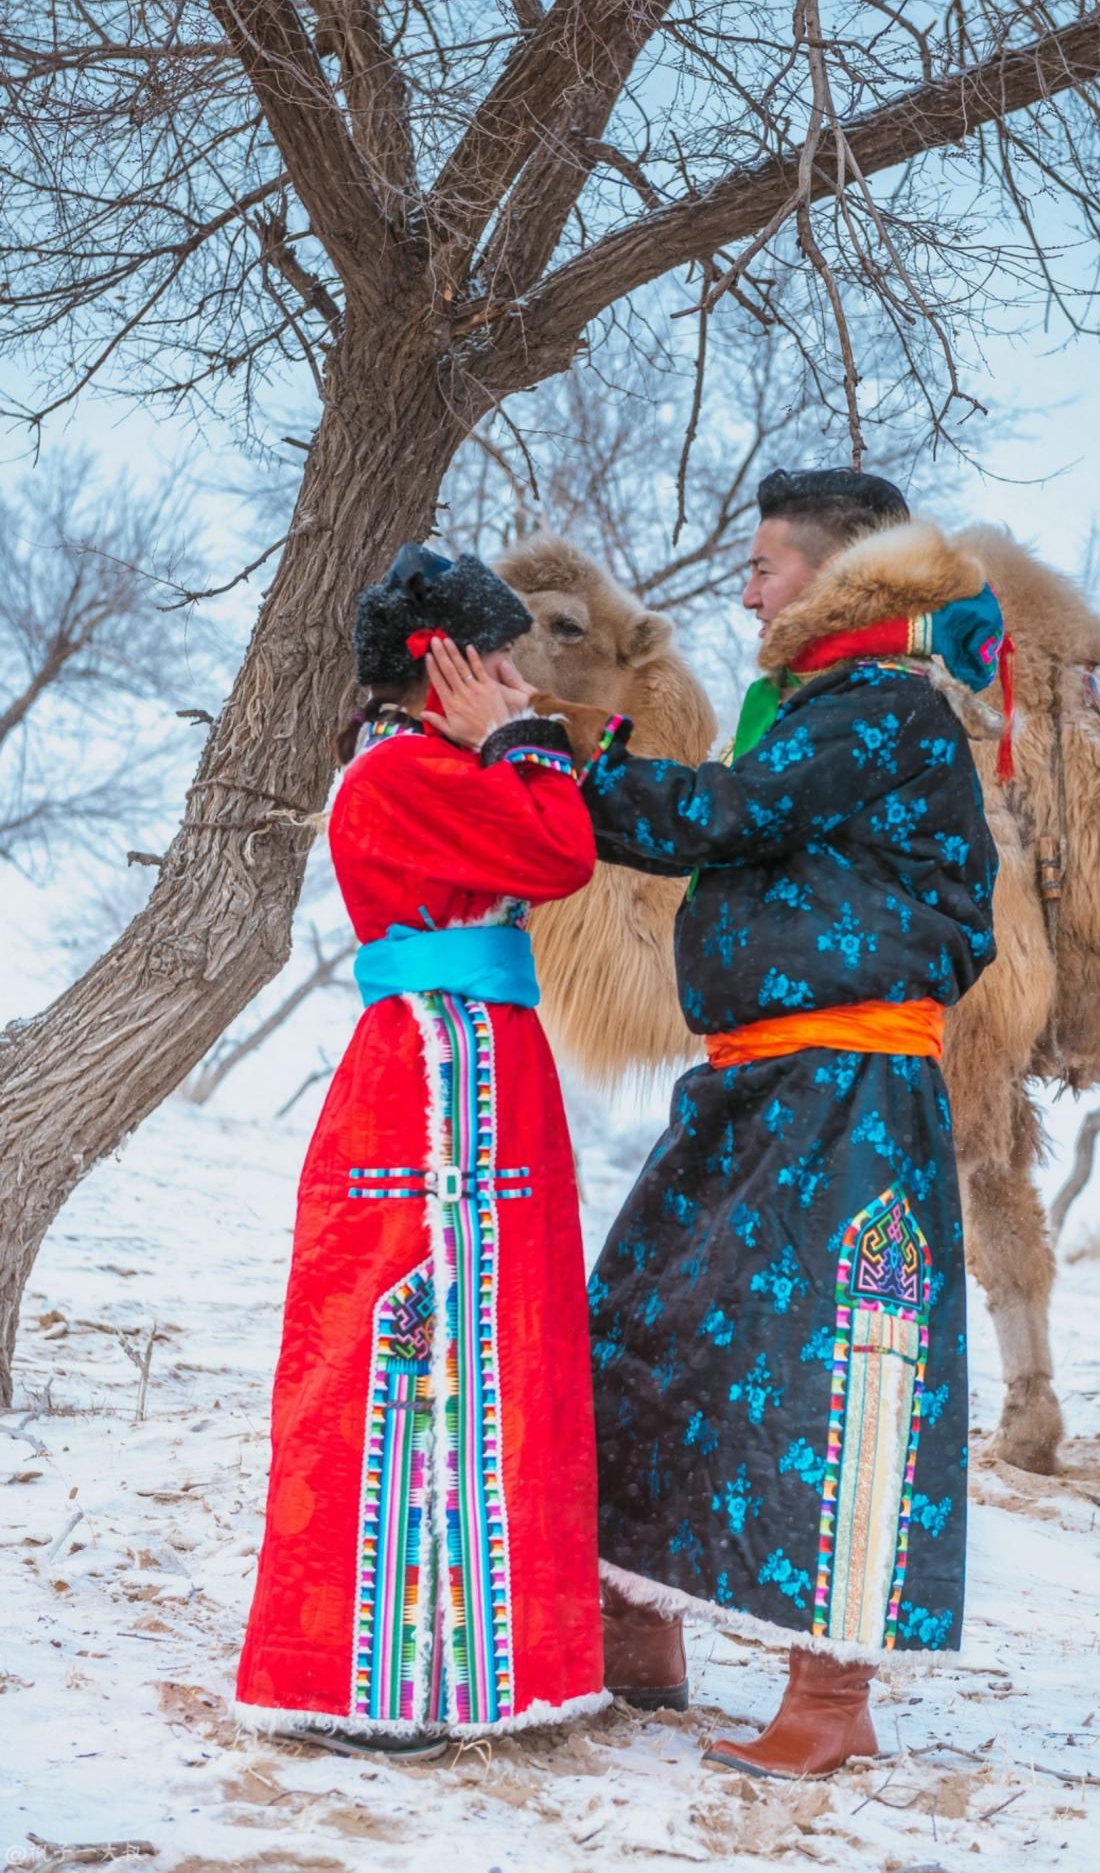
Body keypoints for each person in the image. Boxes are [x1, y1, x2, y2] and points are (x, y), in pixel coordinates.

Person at [577, 468, 1005, 1779]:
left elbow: (723, 814)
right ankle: (638, 1623)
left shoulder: (882, 709)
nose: (748, 587)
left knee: (848, 1369)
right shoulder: (829, 709)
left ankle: (833, 1698)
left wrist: (571, 767)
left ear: (831, 579)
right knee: (644, 1321)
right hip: (760, 1082)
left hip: (849, 1093)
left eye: (765, 565)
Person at [234, 544, 607, 1757]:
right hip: (438, 1087)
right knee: (423, 1337)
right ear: (435, 665)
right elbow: (557, 852)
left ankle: (462, 1666)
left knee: (485, 1345)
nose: (515, 683)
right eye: (494, 660)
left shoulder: (434, 771)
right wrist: (519, 742)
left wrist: (514, 744)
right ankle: (390, 1680)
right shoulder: (402, 774)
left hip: (479, 1068)